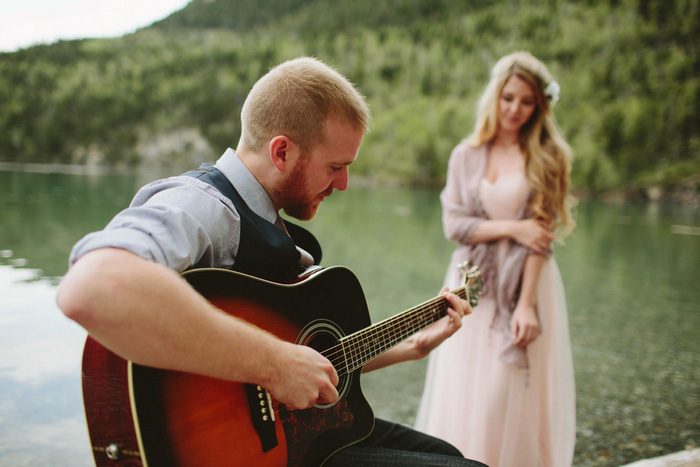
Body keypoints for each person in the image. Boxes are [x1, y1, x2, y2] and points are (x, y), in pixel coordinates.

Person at [57, 56, 485, 467]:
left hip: (291, 437)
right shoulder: (205, 206)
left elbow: (309, 355)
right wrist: (274, 364)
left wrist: (413, 346)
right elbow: (94, 285)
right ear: (281, 152)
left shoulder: (266, 216)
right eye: (335, 166)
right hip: (233, 451)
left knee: (449, 455)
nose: (345, 184)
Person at [414, 51, 577, 466]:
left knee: (506, 390)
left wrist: (526, 305)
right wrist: (513, 228)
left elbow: (541, 236)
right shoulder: (465, 155)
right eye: (508, 98)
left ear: (539, 106)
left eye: (526, 102)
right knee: (465, 389)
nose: (515, 110)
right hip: (471, 283)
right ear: (495, 97)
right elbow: (455, 225)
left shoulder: (548, 154)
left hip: (524, 283)